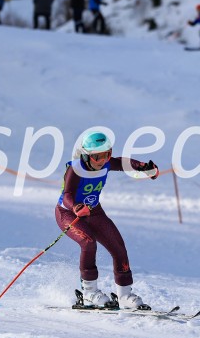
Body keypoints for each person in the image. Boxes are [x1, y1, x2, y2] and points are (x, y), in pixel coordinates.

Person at [55, 131, 160, 309]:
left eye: (107, 154)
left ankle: (125, 295)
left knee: (118, 246)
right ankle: (89, 293)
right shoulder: (76, 168)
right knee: (88, 243)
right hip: (68, 214)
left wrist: (144, 167)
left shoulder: (106, 163)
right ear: (86, 156)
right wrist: (76, 207)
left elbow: (123, 163)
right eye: (97, 156)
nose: (103, 160)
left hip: (95, 212)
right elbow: (67, 195)